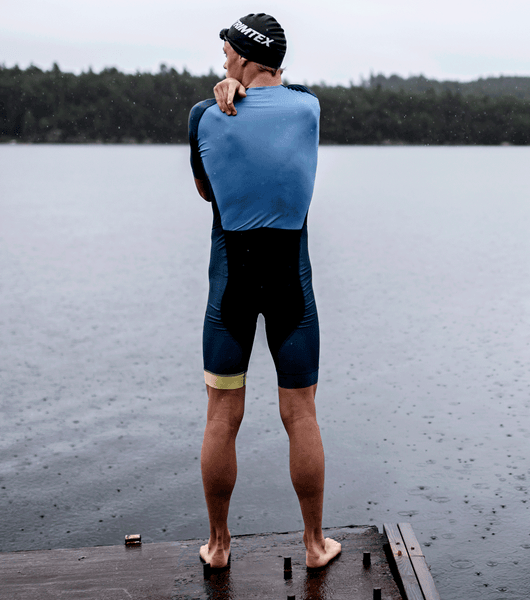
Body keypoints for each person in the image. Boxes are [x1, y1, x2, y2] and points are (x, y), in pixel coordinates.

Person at [187, 13, 341, 571]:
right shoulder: (308, 111)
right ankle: (314, 545)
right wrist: (252, 89)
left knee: (221, 416)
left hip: (229, 291)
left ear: (247, 57)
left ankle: (220, 545)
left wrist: (234, 99)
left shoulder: (205, 116)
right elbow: (291, 90)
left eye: (227, 52)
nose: (222, 61)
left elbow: (207, 191)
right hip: (290, 291)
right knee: (300, 414)